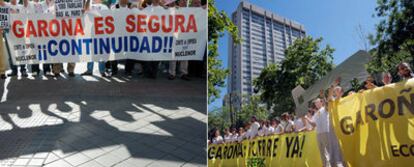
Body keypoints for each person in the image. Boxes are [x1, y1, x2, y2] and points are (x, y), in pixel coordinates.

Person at [81, 0, 108, 77]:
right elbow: (85, 11)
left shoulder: (104, 7)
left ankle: (102, 70)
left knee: (101, 51)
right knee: (91, 51)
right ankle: (90, 70)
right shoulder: (90, 5)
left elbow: (104, 17)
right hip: (92, 31)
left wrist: (93, 13)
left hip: (101, 31)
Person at [168, 0, 190, 81]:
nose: (184, 2)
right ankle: (171, 73)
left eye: (185, 1)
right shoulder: (174, 9)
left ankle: (183, 73)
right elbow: (165, 9)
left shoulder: (191, 11)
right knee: (173, 55)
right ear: (179, 2)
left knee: (185, 55)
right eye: (182, 1)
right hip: (175, 35)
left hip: (185, 35)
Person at [6, 0, 27, 77]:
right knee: (11, 52)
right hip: (9, 34)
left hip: (20, 33)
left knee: (21, 51)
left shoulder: (21, 7)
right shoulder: (6, 6)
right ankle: (14, 70)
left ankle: (23, 70)